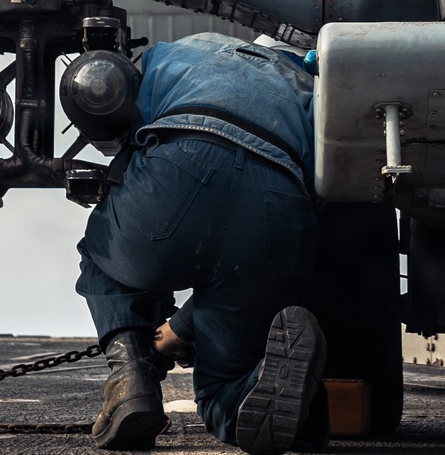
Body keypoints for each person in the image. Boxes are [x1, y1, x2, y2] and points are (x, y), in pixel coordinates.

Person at [74, 31, 327, 453]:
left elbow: (129, 151)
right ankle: (251, 386)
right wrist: (183, 327)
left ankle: (132, 378)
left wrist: (168, 331)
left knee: (102, 256)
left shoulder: (178, 51)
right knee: (220, 389)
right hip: (278, 206)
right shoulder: (312, 83)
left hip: (177, 170)